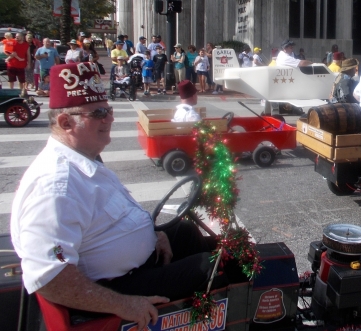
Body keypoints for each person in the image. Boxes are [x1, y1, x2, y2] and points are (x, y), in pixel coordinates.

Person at [11, 62, 224, 331]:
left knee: (183, 232)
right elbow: (50, 276)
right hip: (113, 287)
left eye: (109, 110)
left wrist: (151, 234)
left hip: (131, 266)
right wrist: (123, 304)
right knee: (211, 267)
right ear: (66, 122)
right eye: (99, 113)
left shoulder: (82, 159)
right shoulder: (55, 185)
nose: (109, 118)